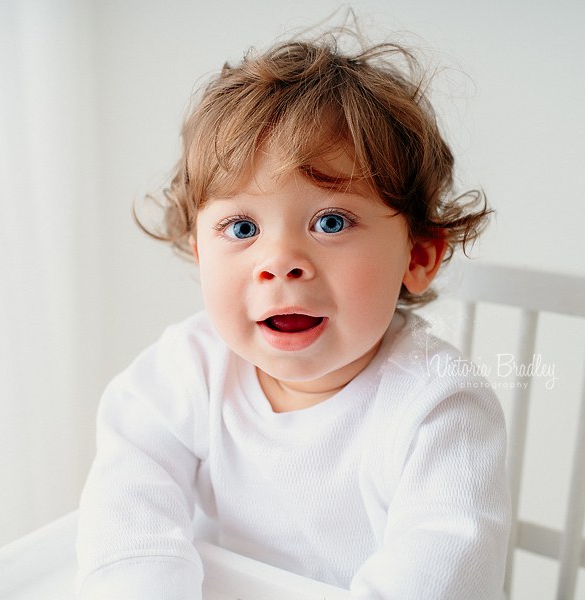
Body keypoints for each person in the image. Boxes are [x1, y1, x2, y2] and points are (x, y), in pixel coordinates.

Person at [76, 24, 510, 600]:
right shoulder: (188, 369)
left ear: (419, 254)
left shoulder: (438, 405)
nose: (280, 263)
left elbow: (442, 570)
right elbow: (126, 510)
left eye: (331, 221)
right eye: (242, 228)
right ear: (201, 251)